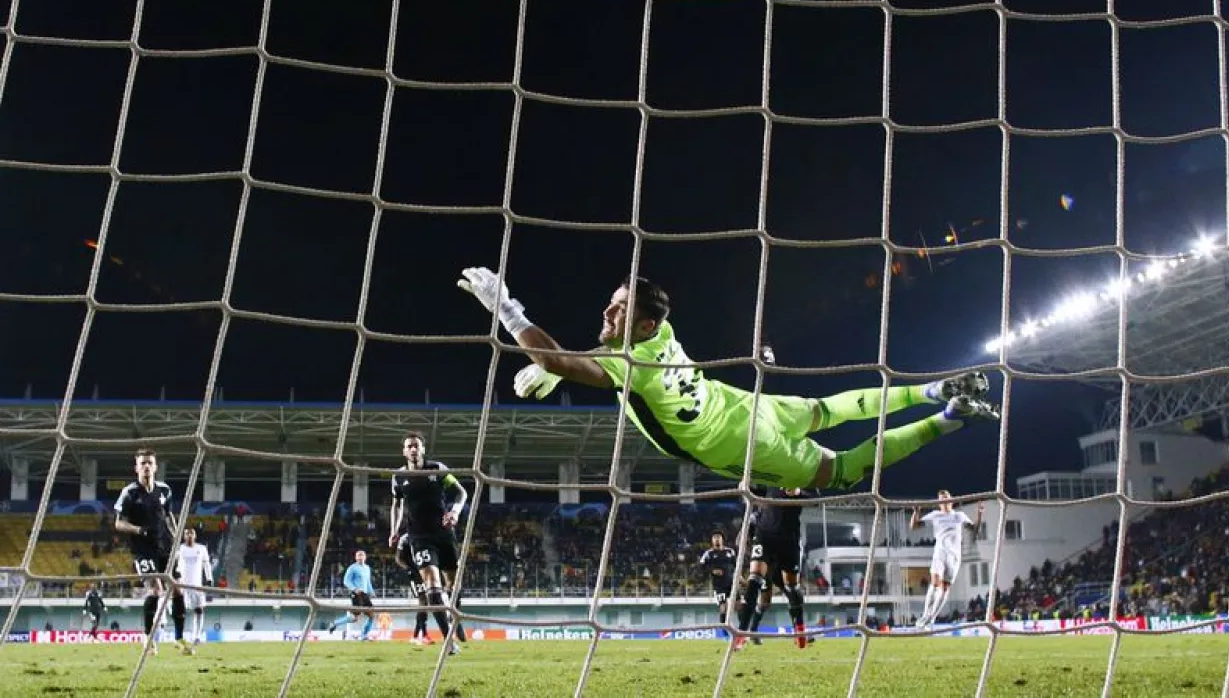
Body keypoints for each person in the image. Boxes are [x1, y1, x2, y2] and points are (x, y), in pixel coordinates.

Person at [457, 271, 998, 491]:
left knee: (838, 472)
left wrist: (509, 312)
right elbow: (593, 354)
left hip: (736, 442)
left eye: (619, 309)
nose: (608, 310)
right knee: (829, 409)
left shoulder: (630, 366)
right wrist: (562, 364)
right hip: (742, 404)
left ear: (644, 324)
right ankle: (930, 389)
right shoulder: (661, 333)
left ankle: (948, 417)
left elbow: (566, 363)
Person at [387, 433, 468, 655]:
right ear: (404, 451)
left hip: (444, 534)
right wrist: (394, 530)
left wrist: (454, 511)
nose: (413, 449)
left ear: (423, 449)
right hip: (418, 537)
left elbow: (461, 492)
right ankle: (448, 641)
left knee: (453, 582)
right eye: (409, 446)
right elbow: (396, 505)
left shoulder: (437, 468)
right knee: (432, 584)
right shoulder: (398, 477)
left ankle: (455, 618)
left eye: (416, 446)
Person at [113, 448, 187, 654]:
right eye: (142, 463)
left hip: (165, 548)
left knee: (177, 588)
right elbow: (118, 523)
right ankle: (148, 639)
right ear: (136, 467)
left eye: (149, 463)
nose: (146, 466)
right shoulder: (129, 493)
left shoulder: (164, 490)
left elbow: (169, 515)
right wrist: (139, 530)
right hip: (143, 550)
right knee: (156, 590)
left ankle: (180, 639)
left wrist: (176, 537)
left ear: (155, 467)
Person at [735, 487, 810, 650]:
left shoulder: (799, 484)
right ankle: (742, 634)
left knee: (792, 589)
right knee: (755, 582)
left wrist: (798, 493)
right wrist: (744, 485)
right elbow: (752, 490)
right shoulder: (766, 494)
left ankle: (800, 631)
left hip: (788, 541)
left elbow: (815, 497)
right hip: (765, 539)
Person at [909, 490, 981, 628]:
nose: (944, 501)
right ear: (939, 503)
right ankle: (925, 615)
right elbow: (914, 526)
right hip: (940, 552)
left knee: (945, 588)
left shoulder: (959, 516)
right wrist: (916, 512)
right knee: (935, 583)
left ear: (951, 501)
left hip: (954, 556)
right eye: (941, 499)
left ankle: (932, 617)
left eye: (946, 498)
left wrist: (979, 514)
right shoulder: (935, 515)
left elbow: (974, 530)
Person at [176, 527, 215, 649]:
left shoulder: (201, 549)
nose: (189, 535)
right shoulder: (180, 549)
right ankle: (179, 637)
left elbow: (206, 564)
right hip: (183, 585)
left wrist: (209, 579)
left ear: (195, 535)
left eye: (191, 533)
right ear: (184, 536)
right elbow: (174, 563)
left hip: (197, 585)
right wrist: (176, 573)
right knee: (181, 611)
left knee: (199, 610)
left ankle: (196, 636)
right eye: (187, 533)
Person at [328, 550, 375, 640]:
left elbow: (368, 581)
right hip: (356, 594)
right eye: (359, 555)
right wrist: (354, 589)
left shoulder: (367, 568)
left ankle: (364, 635)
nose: (360, 557)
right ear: (356, 557)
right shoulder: (352, 568)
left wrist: (371, 591)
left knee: (371, 615)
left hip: (365, 594)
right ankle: (335, 623)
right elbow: (346, 581)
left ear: (365, 557)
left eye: (362, 555)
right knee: (354, 618)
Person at [699, 531, 737, 628]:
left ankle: (742, 630)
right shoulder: (708, 553)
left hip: (732, 583)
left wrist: (740, 579)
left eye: (718, 537)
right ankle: (725, 631)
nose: (716, 539)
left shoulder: (730, 551)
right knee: (723, 607)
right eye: (714, 537)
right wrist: (712, 571)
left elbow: (737, 566)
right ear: (712, 540)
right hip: (719, 585)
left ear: (722, 539)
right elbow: (701, 566)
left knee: (739, 605)